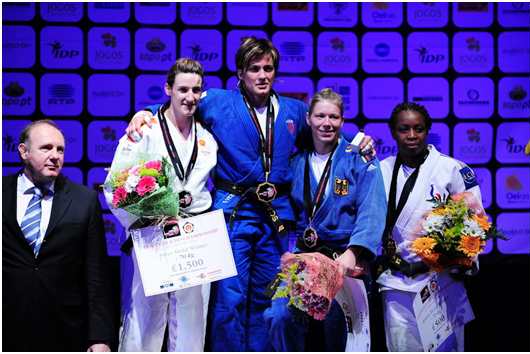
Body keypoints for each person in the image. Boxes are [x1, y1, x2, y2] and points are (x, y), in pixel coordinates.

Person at [126, 38, 374, 351]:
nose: (262, 75)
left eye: (268, 68)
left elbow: (324, 128)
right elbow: (179, 105)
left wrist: (359, 140)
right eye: (254, 68)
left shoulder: (293, 110)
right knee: (229, 298)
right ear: (240, 73)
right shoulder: (217, 101)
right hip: (233, 213)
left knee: (267, 298)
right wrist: (146, 113)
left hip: (275, 217)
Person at [103, 58, 217, 351]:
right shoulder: (145, 129)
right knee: (145, 317)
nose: (189, 97)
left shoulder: (207, 137)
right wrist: (143, 221)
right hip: (152, 233)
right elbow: (115, 186)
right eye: (182, 89)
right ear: (168, 89)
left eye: (196, 90)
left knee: (192, 318)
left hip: (193, 233)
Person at [263, 88, 387, 351]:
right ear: (308, 118)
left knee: (341, 337)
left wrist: (354, 252)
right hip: (304, 256)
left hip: (343, 258)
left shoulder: (360, 158)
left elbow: (372, 209)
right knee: (278, 316)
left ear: (342, 121)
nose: (326, 123)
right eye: (320, 116)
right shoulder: (296, 161)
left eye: (333, 117)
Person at [377, 102, 483, 351]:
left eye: (419, 129)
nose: (411, 135)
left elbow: (474, 224)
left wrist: (462, 262)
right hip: (396, 279)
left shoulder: (452, 169)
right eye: (404, 129)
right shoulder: (379, 170)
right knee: (402, 347)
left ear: (427, 131)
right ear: (392, 132)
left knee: (447, 349)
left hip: (441, 278)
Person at [2, 119, 114, 352]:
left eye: (60, 149)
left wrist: (100, 337)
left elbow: (97, 275)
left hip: (65, 327)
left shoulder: (85, 199)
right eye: (46, 148)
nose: (55, 156)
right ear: (23, 151)